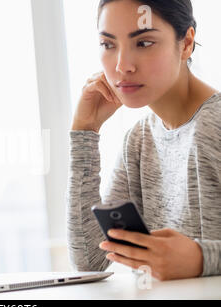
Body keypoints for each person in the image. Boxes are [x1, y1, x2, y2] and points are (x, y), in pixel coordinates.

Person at [67, 0, 220, 281]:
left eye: (144, 43)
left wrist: (201, 259)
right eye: (108, 44)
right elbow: (89, 259)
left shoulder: (216, 124)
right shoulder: (138, 141)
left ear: (186, 43)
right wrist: (85, 133)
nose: (123, 65)